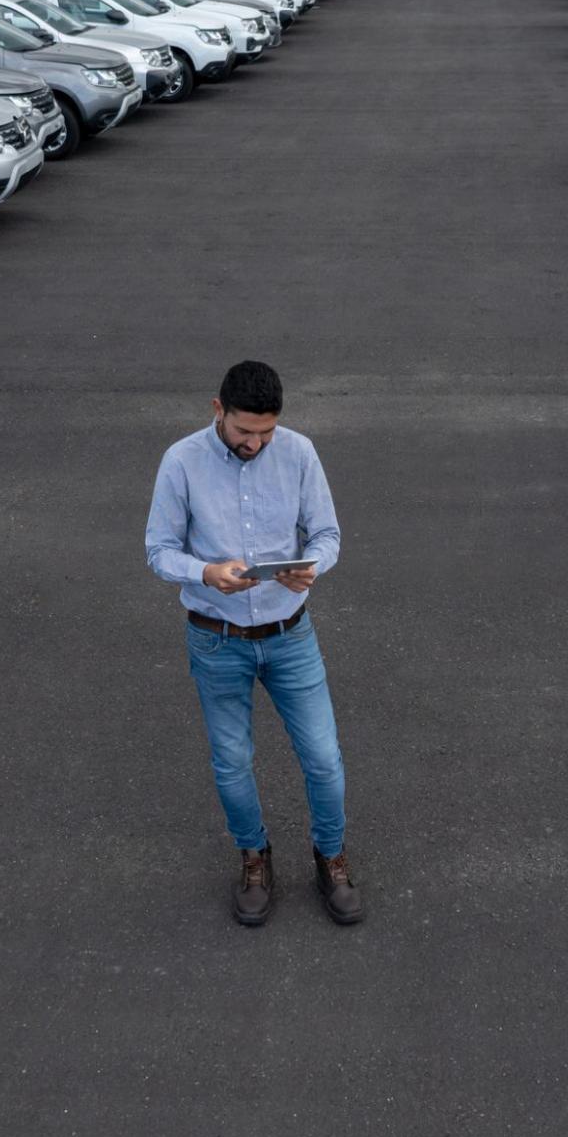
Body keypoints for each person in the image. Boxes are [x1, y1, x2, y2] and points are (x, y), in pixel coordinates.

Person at [143, 361, 362, 928]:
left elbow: (327, 534)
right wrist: (205, 572)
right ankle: (254, 856)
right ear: (218, 410)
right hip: (216, 639)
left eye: (266, 432)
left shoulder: (298, 453)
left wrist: (311, 567)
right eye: (245, 431)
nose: (256, 443)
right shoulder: (181, 462)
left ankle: (330, 858)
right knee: (232, 763)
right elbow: (159, 550)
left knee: (323, 758)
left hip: (291, 635)